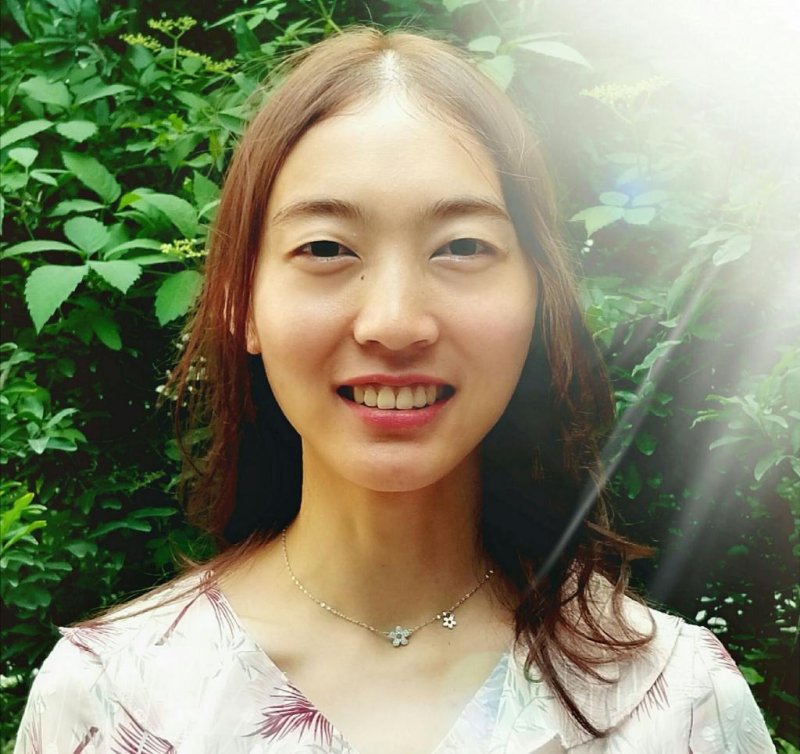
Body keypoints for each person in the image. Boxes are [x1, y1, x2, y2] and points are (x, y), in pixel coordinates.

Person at [14, 27, 775, 754]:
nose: (394, 322)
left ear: (538, 297)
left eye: (462, 246)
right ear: (241, 302)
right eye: (325, 248)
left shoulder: (676, 701)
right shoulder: (115, 699)